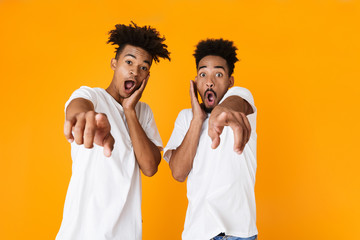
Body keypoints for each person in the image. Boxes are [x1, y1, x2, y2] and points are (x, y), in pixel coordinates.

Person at [56, 22, 170, 240]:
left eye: (144, 67)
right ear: (114, 63)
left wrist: (129, 111)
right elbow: (78, 107)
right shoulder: (92, 96)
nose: (135, 71)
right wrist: (83, 116)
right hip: (81, 234)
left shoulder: (143, 112)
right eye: (129, 62)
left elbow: (150, 167)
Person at [164, 39, 258, 240]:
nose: (210, 81)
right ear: (196, 81)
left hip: (238, 234)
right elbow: (179, 173)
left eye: (218, 74)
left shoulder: (242, 99)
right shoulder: (185, 118)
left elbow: (233, 104)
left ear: (230, 81)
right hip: (197, 233)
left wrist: (221, 111)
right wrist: (197, 120)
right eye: (203, 74)